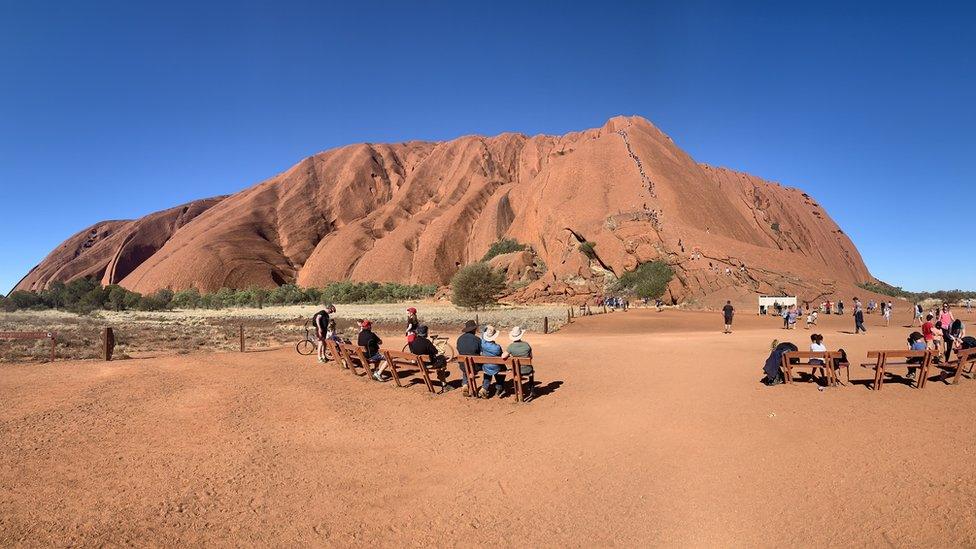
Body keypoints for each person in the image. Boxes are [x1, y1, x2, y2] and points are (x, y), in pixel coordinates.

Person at [502, 326, 534, 400]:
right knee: (531, 370)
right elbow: (531, 357)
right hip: (527, 369)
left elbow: (503, 356)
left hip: (517, 370)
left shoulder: (511, 347)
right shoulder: (526, 345)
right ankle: (532, 390)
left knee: (515, 372)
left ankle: (518, 390)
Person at [455, 320, 481, 396]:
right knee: (482, 365)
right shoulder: (477, 339)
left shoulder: (459, 339)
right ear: (474, 330)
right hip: (475, 365)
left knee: (466, 365)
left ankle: (465, 384)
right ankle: (484, 387)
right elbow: (481, 351)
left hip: (463, 365)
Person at [479, 325, 505, 398]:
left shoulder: (482, 344)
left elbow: (482, 335)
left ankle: (484, 387)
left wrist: (486, 327)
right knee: (503, 369)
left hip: (486, 366)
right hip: (496, 367)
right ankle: (499, 388)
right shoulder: (497, 347)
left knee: (488, 370)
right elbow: (501, 356)